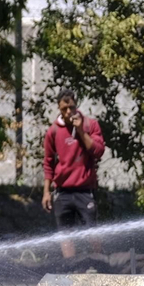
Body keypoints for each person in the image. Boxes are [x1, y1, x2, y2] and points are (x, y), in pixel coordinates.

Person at [42, 90, 105, 260]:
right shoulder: (53, 131)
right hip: (62, 191)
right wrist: (47, 192)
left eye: (71, 107)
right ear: (59, 108)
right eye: (64, 109)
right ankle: (71, 268)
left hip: (85, 190)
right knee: (66, 235)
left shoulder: (90, 125)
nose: (68, 112)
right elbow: (48, 162)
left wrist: (80, 131)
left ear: (76, 105)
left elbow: (98, 151)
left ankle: (100, 265)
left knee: (92, 231)